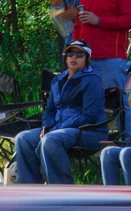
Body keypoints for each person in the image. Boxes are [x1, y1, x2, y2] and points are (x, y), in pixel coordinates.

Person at [12, 41, 107, 184]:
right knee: (23, 138)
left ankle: (61, 188)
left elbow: (90, 116)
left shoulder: (92, 81)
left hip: (90, 131)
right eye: (70, 53)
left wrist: (57, 129)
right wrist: (47, 126)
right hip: (60, 129)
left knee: (51, 139)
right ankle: (30, 186)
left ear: (87, 58)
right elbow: (50, 109)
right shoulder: (58, 80)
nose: (73, 57)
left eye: (79, 54)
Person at [73, 0, 131, 135]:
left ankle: (127, 140)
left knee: (117, 102)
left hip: (110, 58)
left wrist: (100, 21)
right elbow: (78, 26)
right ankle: (99, 139)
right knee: (91, 102)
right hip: (86, 60)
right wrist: (74, 51)